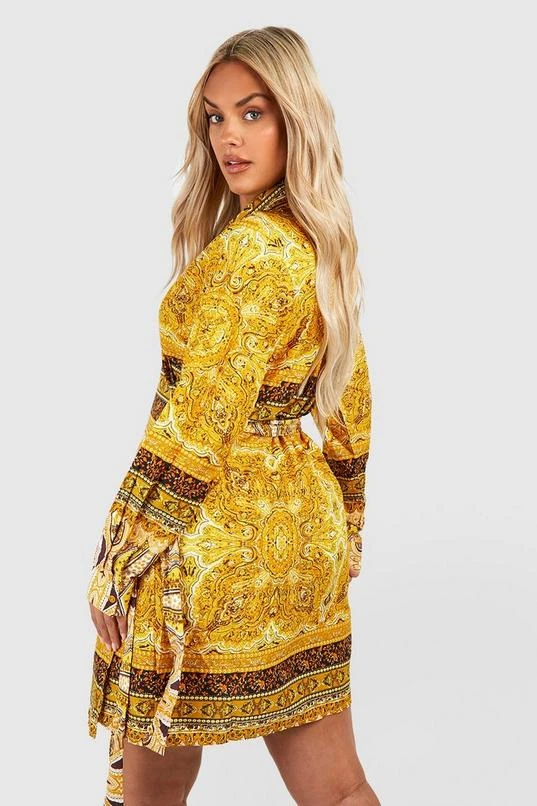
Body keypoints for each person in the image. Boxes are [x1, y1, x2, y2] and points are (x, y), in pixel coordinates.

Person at [86, 25, 379, 806]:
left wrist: (124, 549)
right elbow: (350, 399)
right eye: (215, 117)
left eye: (253, 113)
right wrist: (349, 521)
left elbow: (199, 421)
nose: (229, 137)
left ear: (295, 118)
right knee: (338, 789)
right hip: (304, 537)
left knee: (149, 790)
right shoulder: (315, 242)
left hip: (210, 540)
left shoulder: (248, 251)